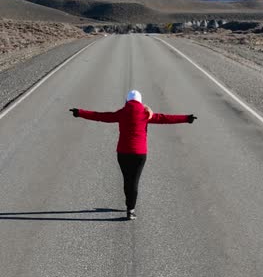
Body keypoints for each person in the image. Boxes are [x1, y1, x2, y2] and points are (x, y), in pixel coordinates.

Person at [70, 90, 197, 220]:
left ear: (127, 101)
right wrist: (187, 118)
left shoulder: (121, 113)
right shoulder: (146, 114)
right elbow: (166, 118)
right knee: (134, 181)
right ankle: (131, 209)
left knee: (127, 180)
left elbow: (100, 116)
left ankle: (129, 204)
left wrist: (79, 112)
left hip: (123, 152)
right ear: (140, 101)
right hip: (139, 154)